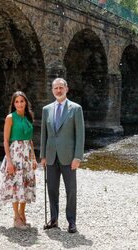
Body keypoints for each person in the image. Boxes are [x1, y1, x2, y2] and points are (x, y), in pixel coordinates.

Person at [40, 78, 85, 233]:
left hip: (69, 157)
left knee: (71, 190)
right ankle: (54, 219)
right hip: (51, 156)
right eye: (55, 88)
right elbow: (44, 135)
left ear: (67, 88)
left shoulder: (76, 109)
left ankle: (71, 222)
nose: (58, 90)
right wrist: (43, 156)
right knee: (52, 189)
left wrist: (78, 157)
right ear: (52, 90)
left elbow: (80, 135)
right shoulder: (46, 110)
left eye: (61, 87)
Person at [0, 91, 37, 230]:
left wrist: (34, 158)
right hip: (15, 154)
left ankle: (22, 214)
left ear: (26, 102)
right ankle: (16, 217)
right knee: (15, 184)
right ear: (13, 104)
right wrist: (9, 161)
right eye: (17, 102)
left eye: (22, 101)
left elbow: (30, 140)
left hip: (27, 155)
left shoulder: (29, 116)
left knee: (25, 183)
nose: (19, 104)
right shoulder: (10, 117)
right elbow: (6, 140)